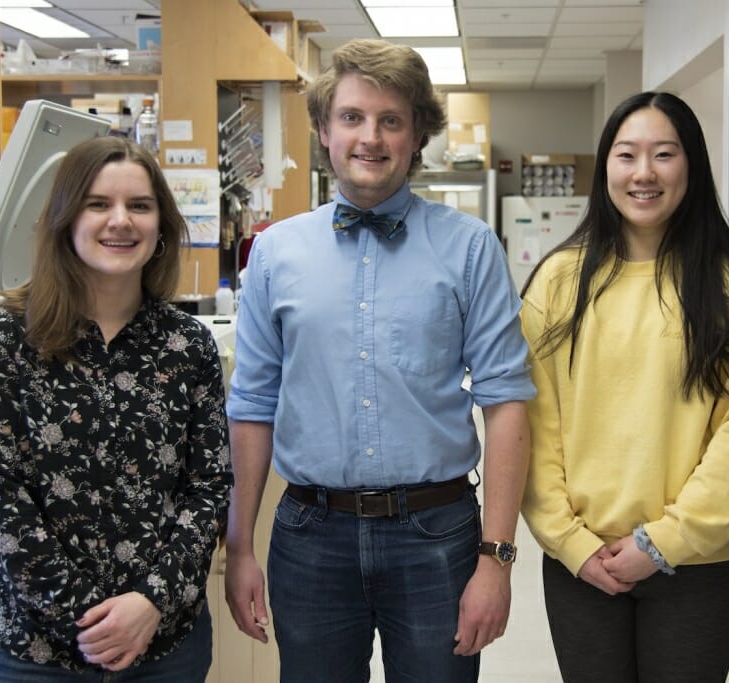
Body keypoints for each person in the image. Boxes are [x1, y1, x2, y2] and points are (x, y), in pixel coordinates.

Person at [224, 39, 534, 682]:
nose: (372, 137)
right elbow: (252, 406)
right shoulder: (275, 254)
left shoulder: (470, 248)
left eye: (391, 120)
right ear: (322, 130)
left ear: (417, 134)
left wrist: (496, 560)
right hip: (309, 537)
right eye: (353, 117)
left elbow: (505, 404)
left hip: (437, 535)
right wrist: (239, 546)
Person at [519, 91, 729, 682]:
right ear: (605, 165)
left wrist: (663, 543)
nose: (643, 173)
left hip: (696, 565)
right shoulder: (559, 281)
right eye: (626, 154)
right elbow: (534, 425)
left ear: (692, 166)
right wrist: (570, 542)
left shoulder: (728, 283)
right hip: (582, 564)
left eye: (664, 154)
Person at [0, 136, 232, 681]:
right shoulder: (4, 344)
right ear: (65, 219)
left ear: (161, 226)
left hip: (163, 647)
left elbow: (207, 487)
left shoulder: (187, 346)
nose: (121, 221)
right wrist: (87, 619)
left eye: (139, 206)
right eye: (98, 204)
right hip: (35, 654)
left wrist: (150, 603)